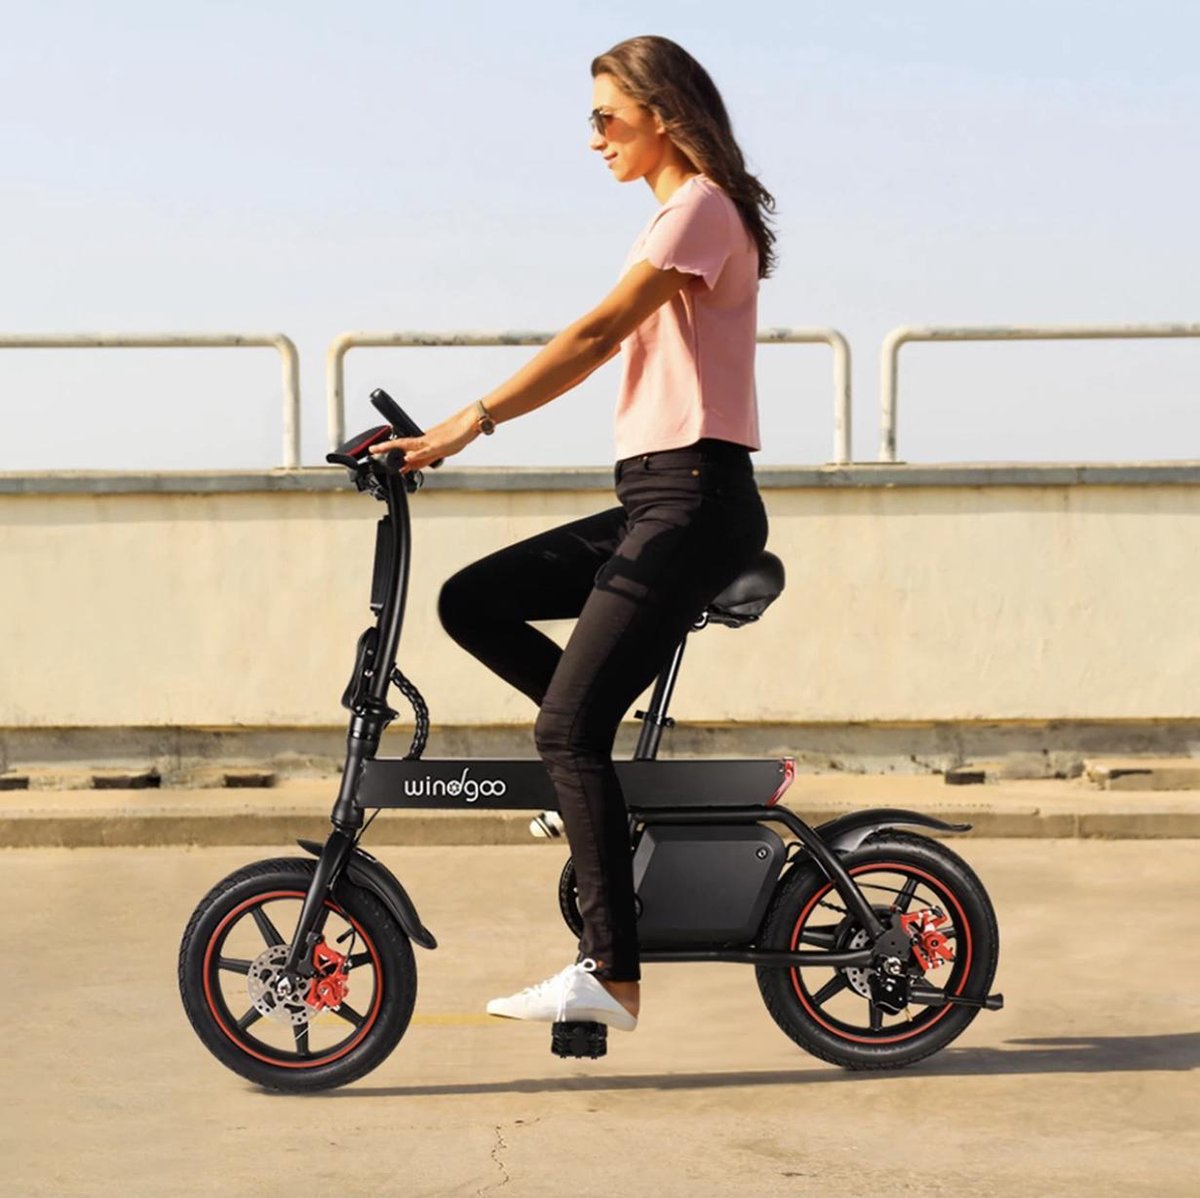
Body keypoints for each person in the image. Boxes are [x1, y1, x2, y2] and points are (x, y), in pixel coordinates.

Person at [370, 34, 776, 1034]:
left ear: (662, 114)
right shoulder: (679, 215)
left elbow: (595, 336)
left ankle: (610, 974)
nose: (594, 137)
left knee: (565, 729)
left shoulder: (699, 208)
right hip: (659, 497)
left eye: (606, 117)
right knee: (474, 601)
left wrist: (466, 424)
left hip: (694, 498)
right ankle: (589, 782)